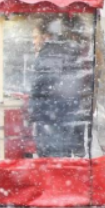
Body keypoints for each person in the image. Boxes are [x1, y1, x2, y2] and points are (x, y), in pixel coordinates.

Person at [30, 20, 82, 157]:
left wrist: (34, 110)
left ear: (45, 36)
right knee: (59, 157)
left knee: (52, 157)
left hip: (51, 116)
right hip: (59, 116)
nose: (33, 42)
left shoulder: (48, 55)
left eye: (35, 37)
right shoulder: (62, 52)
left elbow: (42, 85)